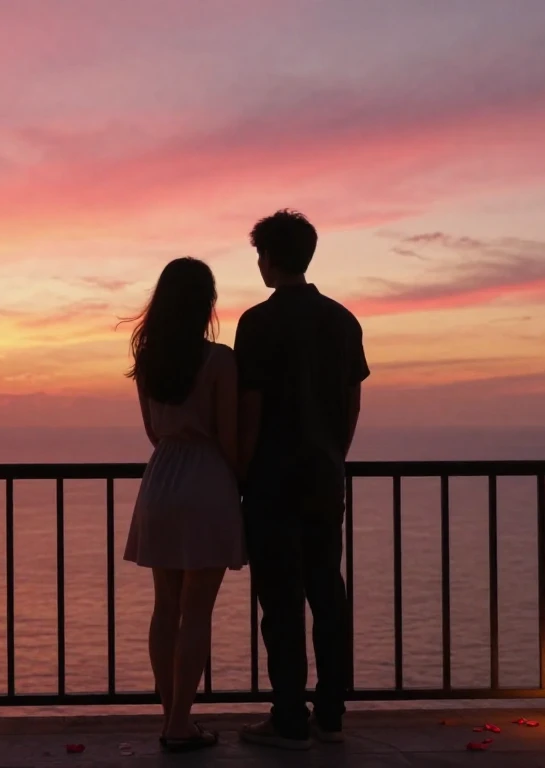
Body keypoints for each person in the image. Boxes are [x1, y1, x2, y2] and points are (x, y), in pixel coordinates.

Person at [234, 210, 370, 750]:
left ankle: (288, 715)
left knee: (281, 603)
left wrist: (240, 473)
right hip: (323, 476)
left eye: (259, 255)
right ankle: (331, 712)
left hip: (270, 478)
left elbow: (250, 409)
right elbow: (353, 402)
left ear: (268, 258)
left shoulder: (257, 323)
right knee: (326, 592)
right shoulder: (342, 320)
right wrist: (335, 455)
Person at [122, 256, 246, 753]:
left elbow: (153, 432)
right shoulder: (219, 360)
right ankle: (180, 722)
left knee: (165, 608)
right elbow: (230, 437)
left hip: (161, 484)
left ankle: (170, 716)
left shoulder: (149, 360)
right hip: (207, 481)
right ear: (206, 304)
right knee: (197, 611)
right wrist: (238, 482)